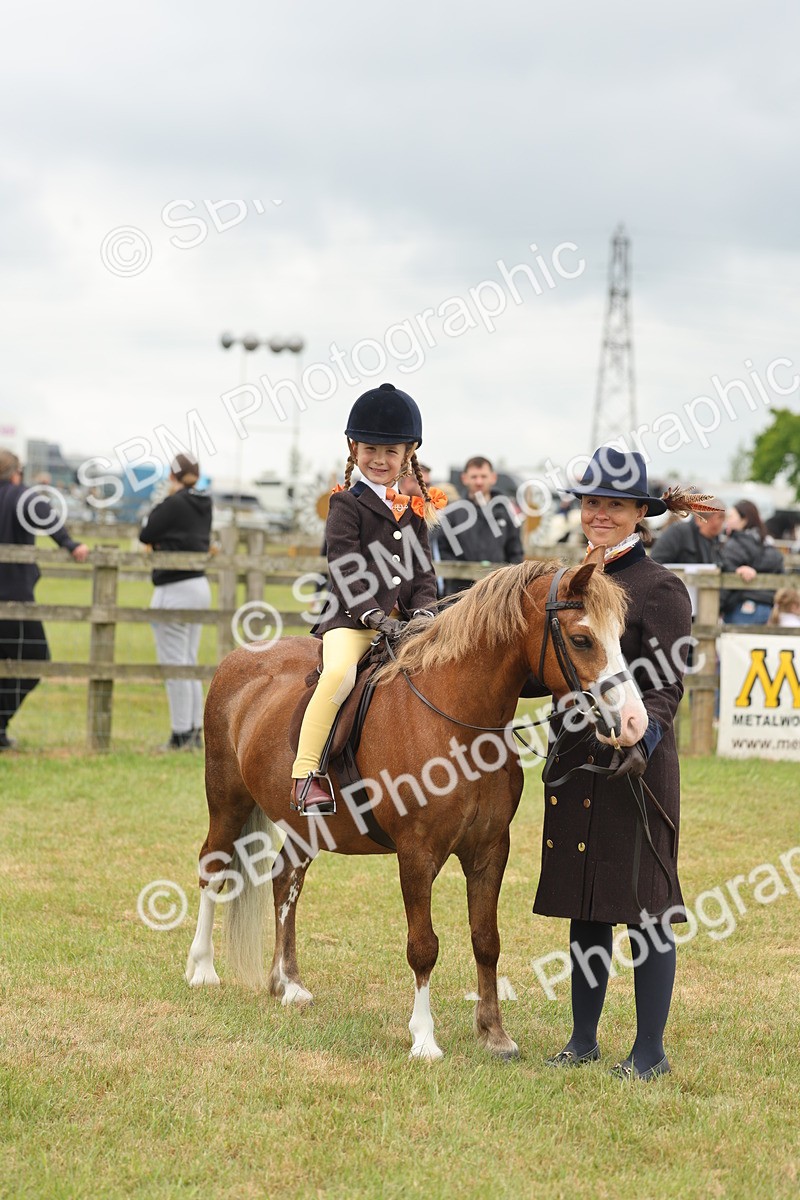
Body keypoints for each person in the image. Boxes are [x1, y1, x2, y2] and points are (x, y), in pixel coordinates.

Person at [532, 447, 717, 1081]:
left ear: (639, 512)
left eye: (614, 504)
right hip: (579, 757)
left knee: (647, 908)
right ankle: (582, 1040)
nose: (600, 514)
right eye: (591, 503)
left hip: (639, 765)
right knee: (589, 906)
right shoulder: (569, 582)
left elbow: (666, 686)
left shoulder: (661, 587)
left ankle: (649, 1051)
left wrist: (644, 744)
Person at [291, 382, 446, 815]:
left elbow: (421, 572)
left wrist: (426, 614)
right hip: (351, 620)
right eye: (370, 451)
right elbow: (343, 568)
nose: (379, 461)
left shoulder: (414, 510)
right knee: (339, 674)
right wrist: (374, 616)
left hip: (405, 623)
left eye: (390, 452)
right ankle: (307, 774)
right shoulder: (346, 505)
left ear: (407, 454)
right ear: (353, 449)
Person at [0, 449, 89, 749]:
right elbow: (44, 512)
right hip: (15, 599)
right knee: (36, 659)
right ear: (16, 472)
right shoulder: (18, 495)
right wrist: (69, 543)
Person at [139, 454, 212, 751]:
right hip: (198, 585)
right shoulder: (205, 502)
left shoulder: (174, 502)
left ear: (172, 476)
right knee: (189, 662)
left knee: (175, 665)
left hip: (173, 587)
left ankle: (180, 733)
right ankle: (192, 729)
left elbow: (146, 531)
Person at [437, 456, 524, 597]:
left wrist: (503, 581)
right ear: (464, 478)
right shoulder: (453, 513)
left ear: (493, 478)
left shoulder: (506, 513)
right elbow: (443, 550)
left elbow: (515, 552)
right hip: (460, 595)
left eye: (483, 476)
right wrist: (468, 574)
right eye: (474, 477)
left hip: (497, 593)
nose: (479, 481)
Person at [719, 500, 784, 625]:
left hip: (740, 607)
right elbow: (780, 572)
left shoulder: (735, 545)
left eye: (731, 516)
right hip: (767, 607)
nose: (727, 521)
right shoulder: (767, 542)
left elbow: (725, 571)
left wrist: (718, 607)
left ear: (744, 520)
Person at [650, 497, 726, 566]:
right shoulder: (677, 534)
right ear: (699, 519)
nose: (721, 524)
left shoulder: (716, 541)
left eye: (722, 518)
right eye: (719, 518)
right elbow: (655, 563)